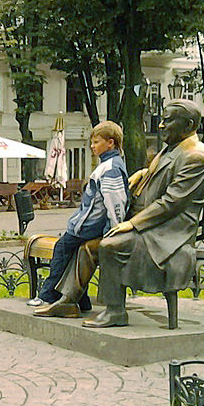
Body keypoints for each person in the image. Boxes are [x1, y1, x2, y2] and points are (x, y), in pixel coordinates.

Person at [83, 100, 204, 328]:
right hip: (153, 222)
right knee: (84, 239)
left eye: (167, 120)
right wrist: (143, 173)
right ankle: (69, 299)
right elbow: (165, 172)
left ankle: (115, 311)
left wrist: (133, 224)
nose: (160, 125)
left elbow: (171, 203)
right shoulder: (174, 147)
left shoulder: (195, 156)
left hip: (169, 230)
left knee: (110, 245)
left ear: (189, 124)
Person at [31, 121, 129, 317]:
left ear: (110, 143)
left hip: (90, 226)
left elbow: (114, 202)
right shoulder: (110, 165)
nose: (92, 146)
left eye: (96, 142)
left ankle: (48, 295)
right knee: (74, 253)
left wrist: (114, 230)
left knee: (62, 248)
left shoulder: (110, 168)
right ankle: (81, 300)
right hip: (90, 225)